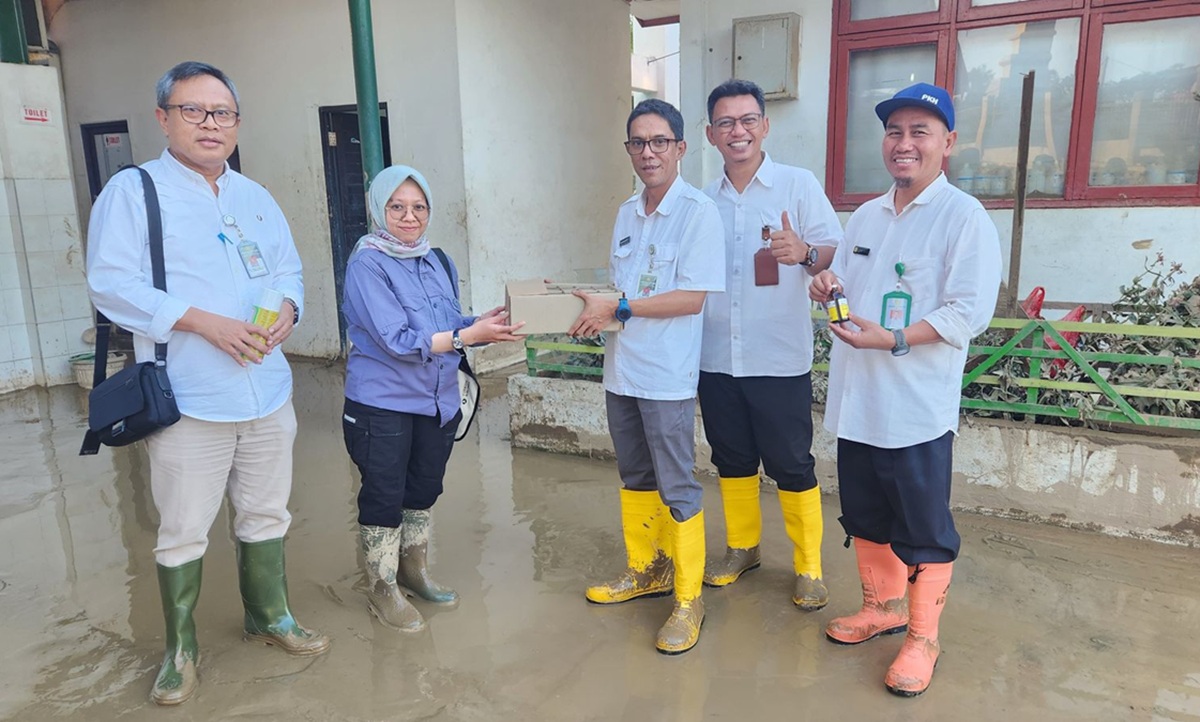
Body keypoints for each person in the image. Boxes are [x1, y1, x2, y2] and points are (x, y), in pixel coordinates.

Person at [86, 61, 328, 706]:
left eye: (222, 113)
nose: (210, 124)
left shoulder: (255, 195)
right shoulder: (133, 193)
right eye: (194, 111)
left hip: (267, 387)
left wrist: (287, 312)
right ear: (163, 118)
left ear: (238, 124)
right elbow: (111, 284)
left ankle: (268, 614)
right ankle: (181, 646)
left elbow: (288, 270)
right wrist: (201, 324)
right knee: (184, 525)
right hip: (188, 395)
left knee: (267, 509)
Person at [809, 82, 1002, 697]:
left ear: (948, 142)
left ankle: (922, 636)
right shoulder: (865, 215)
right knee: (866, 514)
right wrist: (826, 283)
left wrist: (893, 340)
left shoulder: (963, 217)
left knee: (923, 526)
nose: (904, 143)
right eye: (895, 131)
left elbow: (968, 313)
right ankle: (883, 608)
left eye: (921, 132)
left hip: (916, 406)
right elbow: (852, 285)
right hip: (859, 398)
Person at [570, 99, 725, 655]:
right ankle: (647, 570)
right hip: (623, 371)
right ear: (629, 151)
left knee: (677, 484)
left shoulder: (698, 212)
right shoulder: (626, 212)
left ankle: (688, 598)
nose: (648, 152)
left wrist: (623, 308)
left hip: (667, 377)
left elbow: (692, 297)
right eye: (638, 142)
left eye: (660, 141)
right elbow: (619, 292)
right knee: (635, 477)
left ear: (681, 148)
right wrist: (592, 308)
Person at [341, 165, 524, 633]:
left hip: (437, 400)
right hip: (383, 403)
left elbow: (445, 322)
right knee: (383, 494)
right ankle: (382, 588)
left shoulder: (436, 259)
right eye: (397, 207)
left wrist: (480, 323)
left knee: (423, 488)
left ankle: (414, 571)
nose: (409, 217)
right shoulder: (368, 262)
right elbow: (398, 340)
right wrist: (468, 335)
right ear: (379, 209)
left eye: (418, 207)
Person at [698, 79, 843, 610]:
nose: (738, 131)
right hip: (714, 356)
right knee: (731, 458)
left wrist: (805, 252)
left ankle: (808, 567)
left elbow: (832, 249)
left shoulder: (797, 185)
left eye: (747, 120)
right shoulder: (701, 200)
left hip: (777, 357)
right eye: (726, 123)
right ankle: (743, 548)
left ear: (764, 126)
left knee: (791, 463)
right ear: (711, 134)